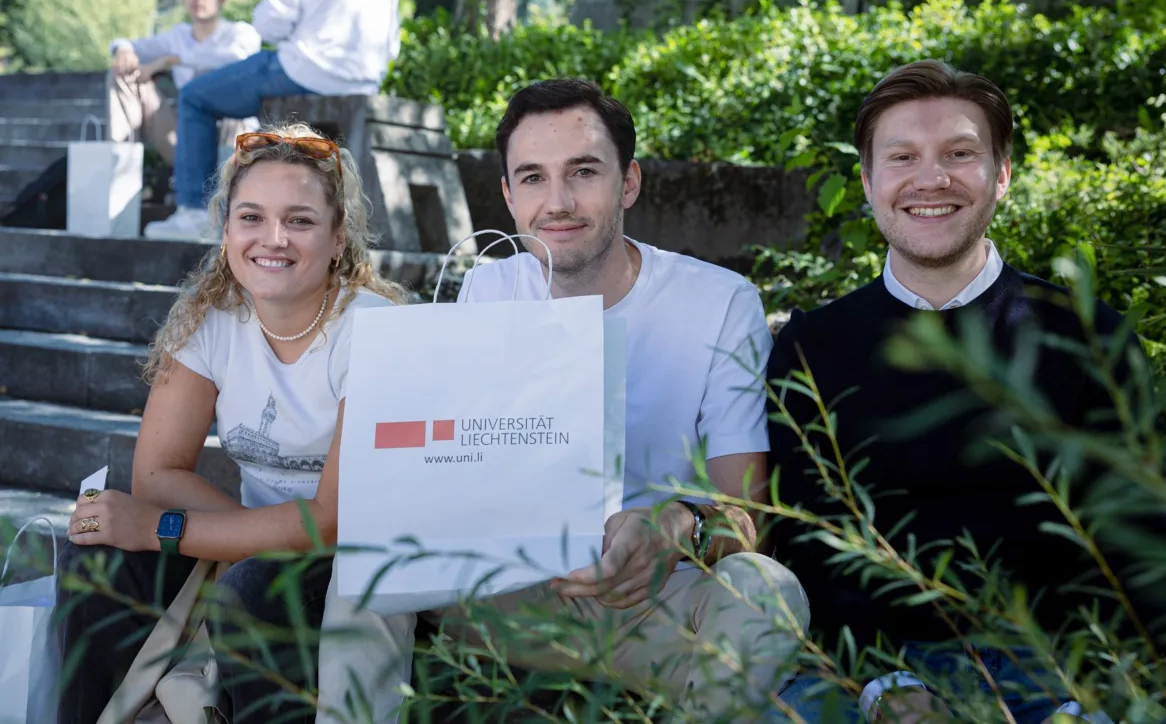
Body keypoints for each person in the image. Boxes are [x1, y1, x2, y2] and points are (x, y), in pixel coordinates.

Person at [323, 78, 810, 724]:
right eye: (532, 178)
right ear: (507, 194)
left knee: (769, 590)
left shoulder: (719, 303)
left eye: (583, 172)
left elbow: (748, 515)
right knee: (371, 552)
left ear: (628, 182)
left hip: (647, 593)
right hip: (507, 591)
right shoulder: (489, 289)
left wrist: (675, 527)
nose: (558, 202)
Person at [765, 60, 1166, 723]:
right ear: (867, 182)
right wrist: (882, 683)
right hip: (866, 664)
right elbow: (808, 537)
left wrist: (1091, 699)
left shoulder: (1086, 337)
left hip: (1062, 667)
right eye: (902, 157)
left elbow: (1138, 535)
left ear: (1001, 175)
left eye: (959, 153)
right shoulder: (813, 348)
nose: (931, 178)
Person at [57, 122, 406, 724]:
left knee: (252, 586)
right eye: (251, 217)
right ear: (225, 232)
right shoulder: (212, 317)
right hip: (256, 541)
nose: (273, 238)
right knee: (99, 559)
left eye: (299, 220)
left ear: (337, 237)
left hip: (355, 557)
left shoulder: (374, 328)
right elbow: (158, 474)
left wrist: (167, 529)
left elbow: (329, 522)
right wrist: (248, 533)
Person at [145, 0, 401, 242]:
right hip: (365, 78)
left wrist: (262, 16)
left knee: (195, 96)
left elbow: (272, 23)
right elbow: (393, 42)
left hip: (305, 69)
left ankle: (193, 214)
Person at [108, 0, 261, 168]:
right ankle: (121, 165)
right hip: (183, 138)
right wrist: (123, 50)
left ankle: (227, 186)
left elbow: (236, 58)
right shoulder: (177, 37)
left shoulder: (241, 32)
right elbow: (125, 43)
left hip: (234, 138)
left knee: (229, 102)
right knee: (122, 74)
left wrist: (171, 60)